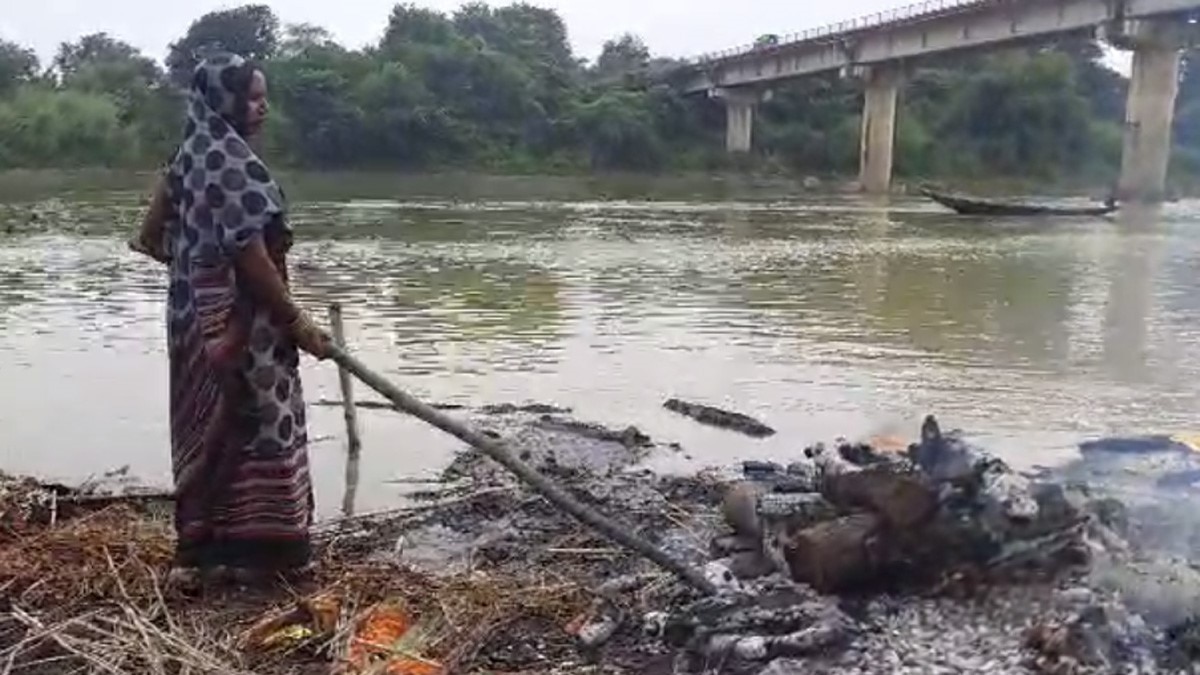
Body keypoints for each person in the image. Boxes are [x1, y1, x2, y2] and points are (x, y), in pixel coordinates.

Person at [129, 52, 331, 588]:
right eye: (252, 97)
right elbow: (252, 256)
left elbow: (150, 238)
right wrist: (297, 322)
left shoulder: (188, 157)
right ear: (225, 100)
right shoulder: (231, 162)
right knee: (262, 423)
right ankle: (263, 558)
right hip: (247, 333)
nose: (262, 106)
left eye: (263, 96)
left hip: (191, 327)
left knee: (204, 429)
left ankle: (201, 555)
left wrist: (197, 276)